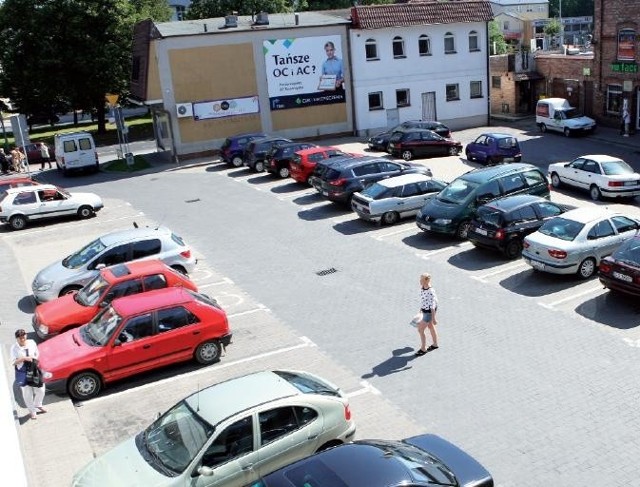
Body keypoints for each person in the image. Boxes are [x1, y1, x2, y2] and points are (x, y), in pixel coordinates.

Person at [10, 329, 46, 420]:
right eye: (20, 338)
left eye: (24, 336)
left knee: (41, 389)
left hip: (33, 369)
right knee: (27, 393)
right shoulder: (14, 348)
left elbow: (37, 353)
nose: (22, 339)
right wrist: (24, 359)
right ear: (17, 339)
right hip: (23, 372)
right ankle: (32, 411)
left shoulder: (31, 342)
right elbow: (13, 362)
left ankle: (38, 404)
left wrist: (34, 359)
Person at [414, 273, 439, 356]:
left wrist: (434, 318)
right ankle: (435, 344)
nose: (419, 281)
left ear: (425, 281)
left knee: (420, 330)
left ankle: (423, 349)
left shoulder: (430, 291)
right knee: (431, 326)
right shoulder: (423, 287)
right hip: (425, 310)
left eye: (421, 280)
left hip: (429, 312)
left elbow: (432, 306)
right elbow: (424, 300)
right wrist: (421, 309)